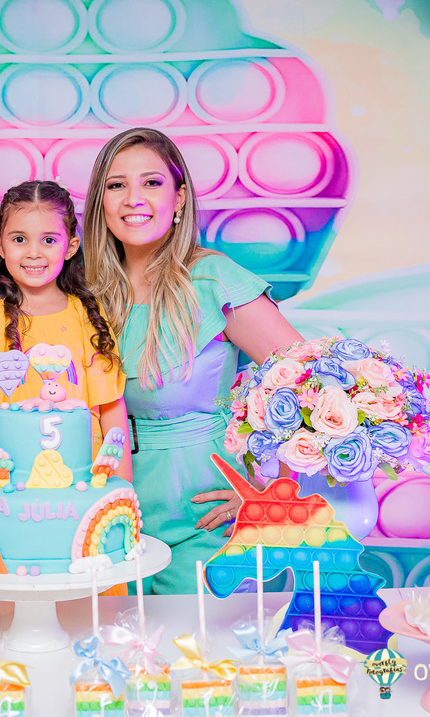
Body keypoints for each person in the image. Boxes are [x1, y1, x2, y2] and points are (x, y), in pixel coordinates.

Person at [82, 127, 302, 595]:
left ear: (179, 197)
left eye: (152, 182)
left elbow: (315, 385)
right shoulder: (85, 290)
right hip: (105, 524)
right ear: (100, 201)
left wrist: (277, 496)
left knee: (199, 643)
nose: (133, 199)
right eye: (117, 185)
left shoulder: (213, 280)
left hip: (202, 523)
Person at [0, 181, 130, 475]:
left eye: (48, 240)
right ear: (0, 245)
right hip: (10, 484)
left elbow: (111, 407)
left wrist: (122, 484)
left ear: (70, 247)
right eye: (19, 239)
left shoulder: (87, 315)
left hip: (84, 482)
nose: (33, 252)